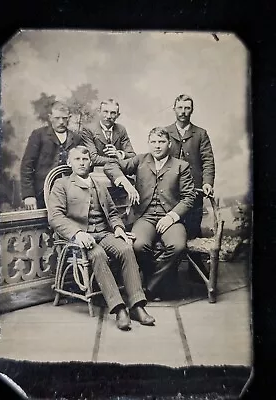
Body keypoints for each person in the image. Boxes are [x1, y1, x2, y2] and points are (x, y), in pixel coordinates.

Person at [47, 146, 155, 331]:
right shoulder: (62, 184)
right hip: (79, 238)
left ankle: (137, 305)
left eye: (85, 159)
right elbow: (55, 217)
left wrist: (119, 229)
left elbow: (112, 213)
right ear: (69, 163)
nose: (82, 162)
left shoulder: (99, 184)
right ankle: (120, 308)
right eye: (77, 159)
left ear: (90, 162)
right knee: (98, 255)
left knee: (126, 249)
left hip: (104, 233)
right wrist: (78, 234)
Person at [104, 128, 196, 300]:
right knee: (138, 246)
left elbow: (189, 197)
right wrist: (126, 183)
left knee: (177, 246)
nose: (157, 146)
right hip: (145, 217)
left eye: (161, 142)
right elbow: (111, 165)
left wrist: (171, 217)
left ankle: (151, 286)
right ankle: (163, 284)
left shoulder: (181, 166)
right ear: (148, 143)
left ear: (169, 144)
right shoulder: (140, 160)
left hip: (171, 218)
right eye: (153, 142)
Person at [164, 94, 215, 239]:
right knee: (172, 227)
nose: (183, 112)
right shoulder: (165, 132)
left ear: (192, 110)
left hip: (194, 189)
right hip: (169, 189)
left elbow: (208, 160)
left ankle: (195, 260)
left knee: (193, 229)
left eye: (187, 108)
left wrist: (207, 182)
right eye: (180, 108)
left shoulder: (200, 133)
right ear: (174, 109)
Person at [20, 101, 82, 209]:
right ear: (50, 117)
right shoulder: (38, 135)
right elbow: (27, 166)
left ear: (69, 117)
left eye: (65, 118)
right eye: (57, 118)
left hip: (69, 193)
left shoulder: (76, 138)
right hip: (42, 193)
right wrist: (29, 195)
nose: (61, 122)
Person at [80, 99, 136, 166]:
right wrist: (118, 160)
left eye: (113, 113)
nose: (109, 116)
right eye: (105, 112)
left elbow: (132, 156)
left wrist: (119, 154)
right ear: (99, 112)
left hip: (118, 171)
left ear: (118, 115)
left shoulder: (121, 129)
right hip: (96, 172)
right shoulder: (88, 129)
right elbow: (93, 158)